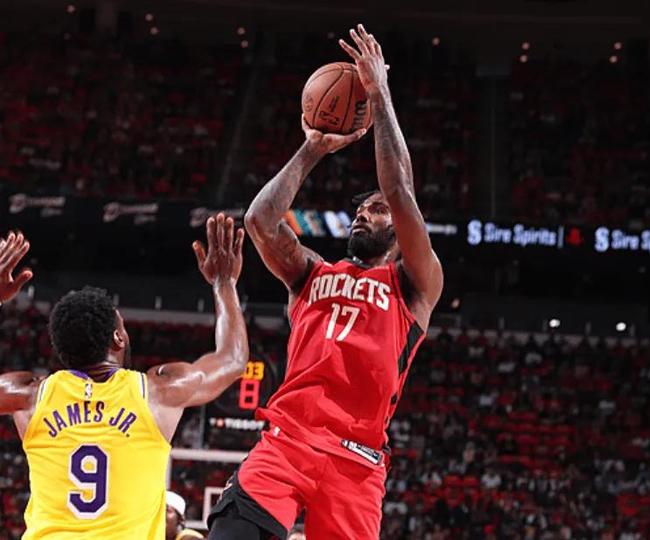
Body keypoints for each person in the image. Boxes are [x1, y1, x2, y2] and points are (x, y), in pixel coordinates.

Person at [207, 24, 443, 540]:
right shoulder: (312, 272)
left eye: (375, 211)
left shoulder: (414, 284)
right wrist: (312, 147)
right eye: (360, 210)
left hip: (357, 461)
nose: (363, 215)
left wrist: (378, 93)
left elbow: (399, 190)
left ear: (400, 232)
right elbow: (260, 221)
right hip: (287, 441)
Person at [0, 214, 249, 539]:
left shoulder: (30, 396)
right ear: (118, 338)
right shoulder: (157, 392)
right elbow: (231, 359)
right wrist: (224, 283)